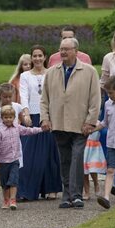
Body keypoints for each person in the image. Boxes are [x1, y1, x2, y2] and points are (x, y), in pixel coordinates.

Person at [40, 38, 101, 209]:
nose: (63, 52)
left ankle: (76, 195)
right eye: (61, 49)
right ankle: (66, 196)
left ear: (76, 51)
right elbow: (44, 99)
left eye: (66, 49)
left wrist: (90, 121)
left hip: (80, 124)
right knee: (65, 160)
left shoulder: (89, 71)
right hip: (59, 123)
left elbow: (96, 100)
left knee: (77, 157)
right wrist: (45, 118)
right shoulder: (51, 72)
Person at [18, 44, 62, 201]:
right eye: (34, 56)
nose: (37, 58)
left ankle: (51, 188)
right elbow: (23, 95)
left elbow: (56, 94)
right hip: (31, 118)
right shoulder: (25, 76)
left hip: (49, 117)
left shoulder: (51, 73)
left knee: (50, 154)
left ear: (45, 57)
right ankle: (26, 190)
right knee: (27, 154)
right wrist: (26, 113)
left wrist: (51, 115)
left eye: (40, 56)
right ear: (31, 58)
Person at [0, 105, 42, 210]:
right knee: (5, 184)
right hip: (3, 162)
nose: (8, 119)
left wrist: (40, 129)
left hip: (14, 160)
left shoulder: (17, 128)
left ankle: (13, 200)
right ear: (2, 118)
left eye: (10, 117)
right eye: (6, 117)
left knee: (13, 181)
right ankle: (6, 200)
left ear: (14, 117)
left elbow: (28, 131)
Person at [0, 83, 24, 205]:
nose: (8, 99)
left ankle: (11, 195)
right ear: (0, 96)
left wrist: (25, 121)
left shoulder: (17, 107)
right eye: (5, 97)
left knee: (14, 167)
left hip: (12, 142)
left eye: (10, 97)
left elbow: (22, 119)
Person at [93, 76, 115, 209]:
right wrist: (93, 129)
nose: (109, 96)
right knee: (110, 170)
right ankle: (106, 197)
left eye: (111, 93)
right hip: (112, 144)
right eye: (108, 93)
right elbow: (104, 123)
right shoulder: (108, 104)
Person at [99, 29, 115, 187]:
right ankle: (113, 179)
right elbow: (103, 82)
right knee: (107, 134)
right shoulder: (108, 58)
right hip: (111, 99)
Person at [83, 121, 107, 200]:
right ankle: (87, 192)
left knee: (93, 169)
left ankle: (96, 183)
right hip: (83, 147)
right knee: (84, 171)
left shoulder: (97, 122)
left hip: (94, 148)